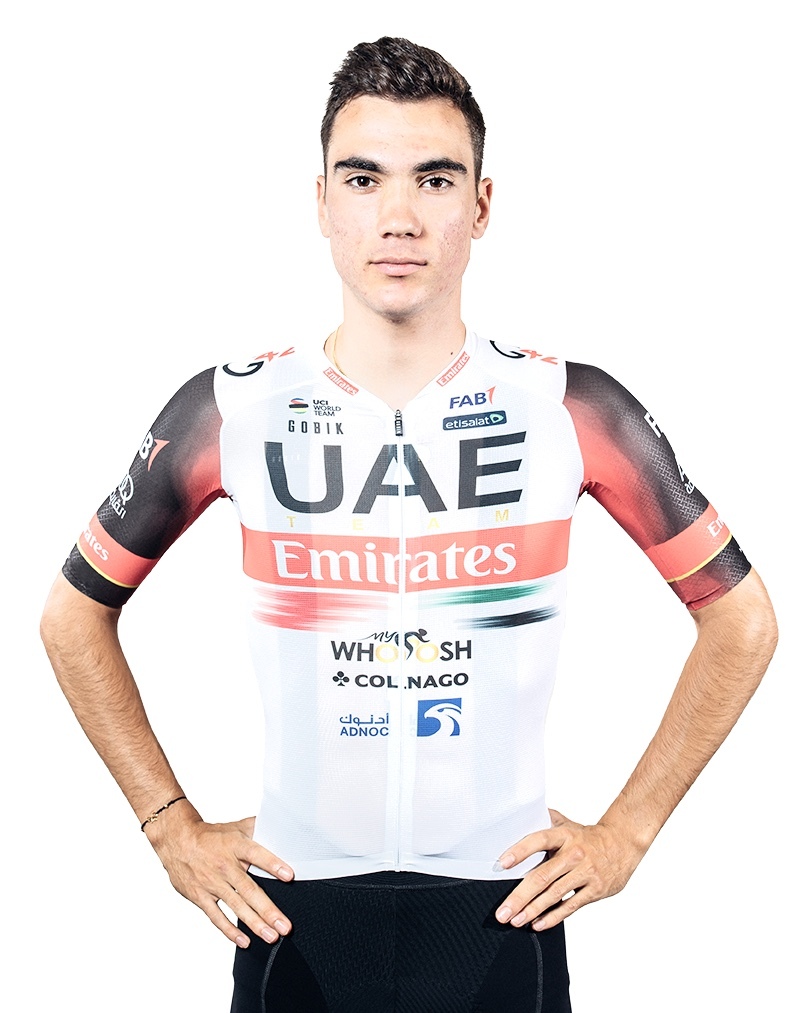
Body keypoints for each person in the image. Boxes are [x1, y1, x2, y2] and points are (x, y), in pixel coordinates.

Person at [41, 36, 777, 1013]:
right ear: (321, 203)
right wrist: (167, 822)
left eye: (434, 179)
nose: (398, 216)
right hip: (296, 912)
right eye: (363, 179)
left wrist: (627, 832)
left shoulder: (570, 404)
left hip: (498, 911)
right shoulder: (234, 407)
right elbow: (72, 614)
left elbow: (740, 617)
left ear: (481, 204)